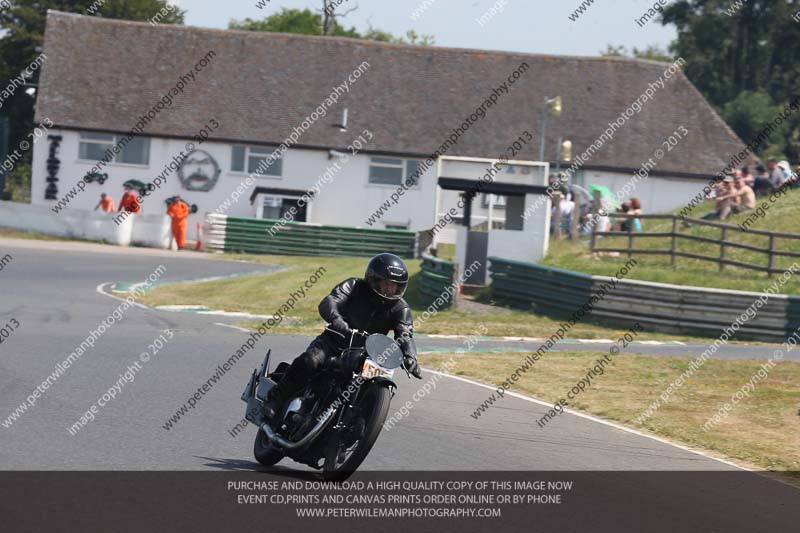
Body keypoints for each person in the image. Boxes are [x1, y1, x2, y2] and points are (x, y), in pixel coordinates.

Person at [263, 253, 423, 419]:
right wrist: (336, 318)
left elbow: (405, 334)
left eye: (395, 286)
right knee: (310, 361)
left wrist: (410, 357)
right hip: (333, 342)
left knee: (364, 383)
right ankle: (275, 398)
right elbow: (330, 301)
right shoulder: (354, 286)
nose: (391, 289)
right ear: (374, 279)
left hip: (364, 354)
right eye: (387, 284)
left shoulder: (401, 308)